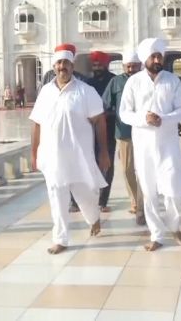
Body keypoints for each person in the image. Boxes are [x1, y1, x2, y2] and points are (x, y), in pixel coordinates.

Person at [30, 44, 110, 255]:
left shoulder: (86, 91)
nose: (62, 67)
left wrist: (103, 152)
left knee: (85, 196)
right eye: (58, 63)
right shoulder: (46, 92)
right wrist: (34, 152)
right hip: (52, 157)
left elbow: (100, 121)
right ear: (54, 66)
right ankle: (61, 238)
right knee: (57, 197)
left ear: (72, 65)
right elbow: (37, 123)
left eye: (66, 63)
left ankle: (93, 218)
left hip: (78, 156)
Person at [119, 38, 181, 251]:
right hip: (143, 146)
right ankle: (156, 235)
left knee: (173, 188)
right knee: (149, 192)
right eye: (153, 56)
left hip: (168, 145)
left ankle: (174, 226)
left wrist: (163, 118)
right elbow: (124, 113)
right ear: (145, 58)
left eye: (160, 55)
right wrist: (144, 119)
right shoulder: (134, 82)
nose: (157, 59)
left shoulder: (172, 80)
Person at [102, 50, 145, 224]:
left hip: (145, 131)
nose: (131, 69)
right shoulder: (116, 82)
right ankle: (136, 202)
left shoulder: (147, 81)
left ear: (140, 66)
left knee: (144, 170)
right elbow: (105, 104)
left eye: (134, 66)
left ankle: (143, 204)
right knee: (127, 170)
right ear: (123, 66)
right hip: (124, 132)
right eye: (128, 66)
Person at [84, 51, 116, 212]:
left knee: (107, 163)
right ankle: (91, 197)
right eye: (94, 65)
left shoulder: (113, 80)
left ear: (105, 65)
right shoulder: (88, 82)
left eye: (99, 65)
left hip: (109, 127)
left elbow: (117, 105)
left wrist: (104, 114)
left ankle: (103, 201)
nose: (97, 67)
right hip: (90, 128)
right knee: (91, 163)